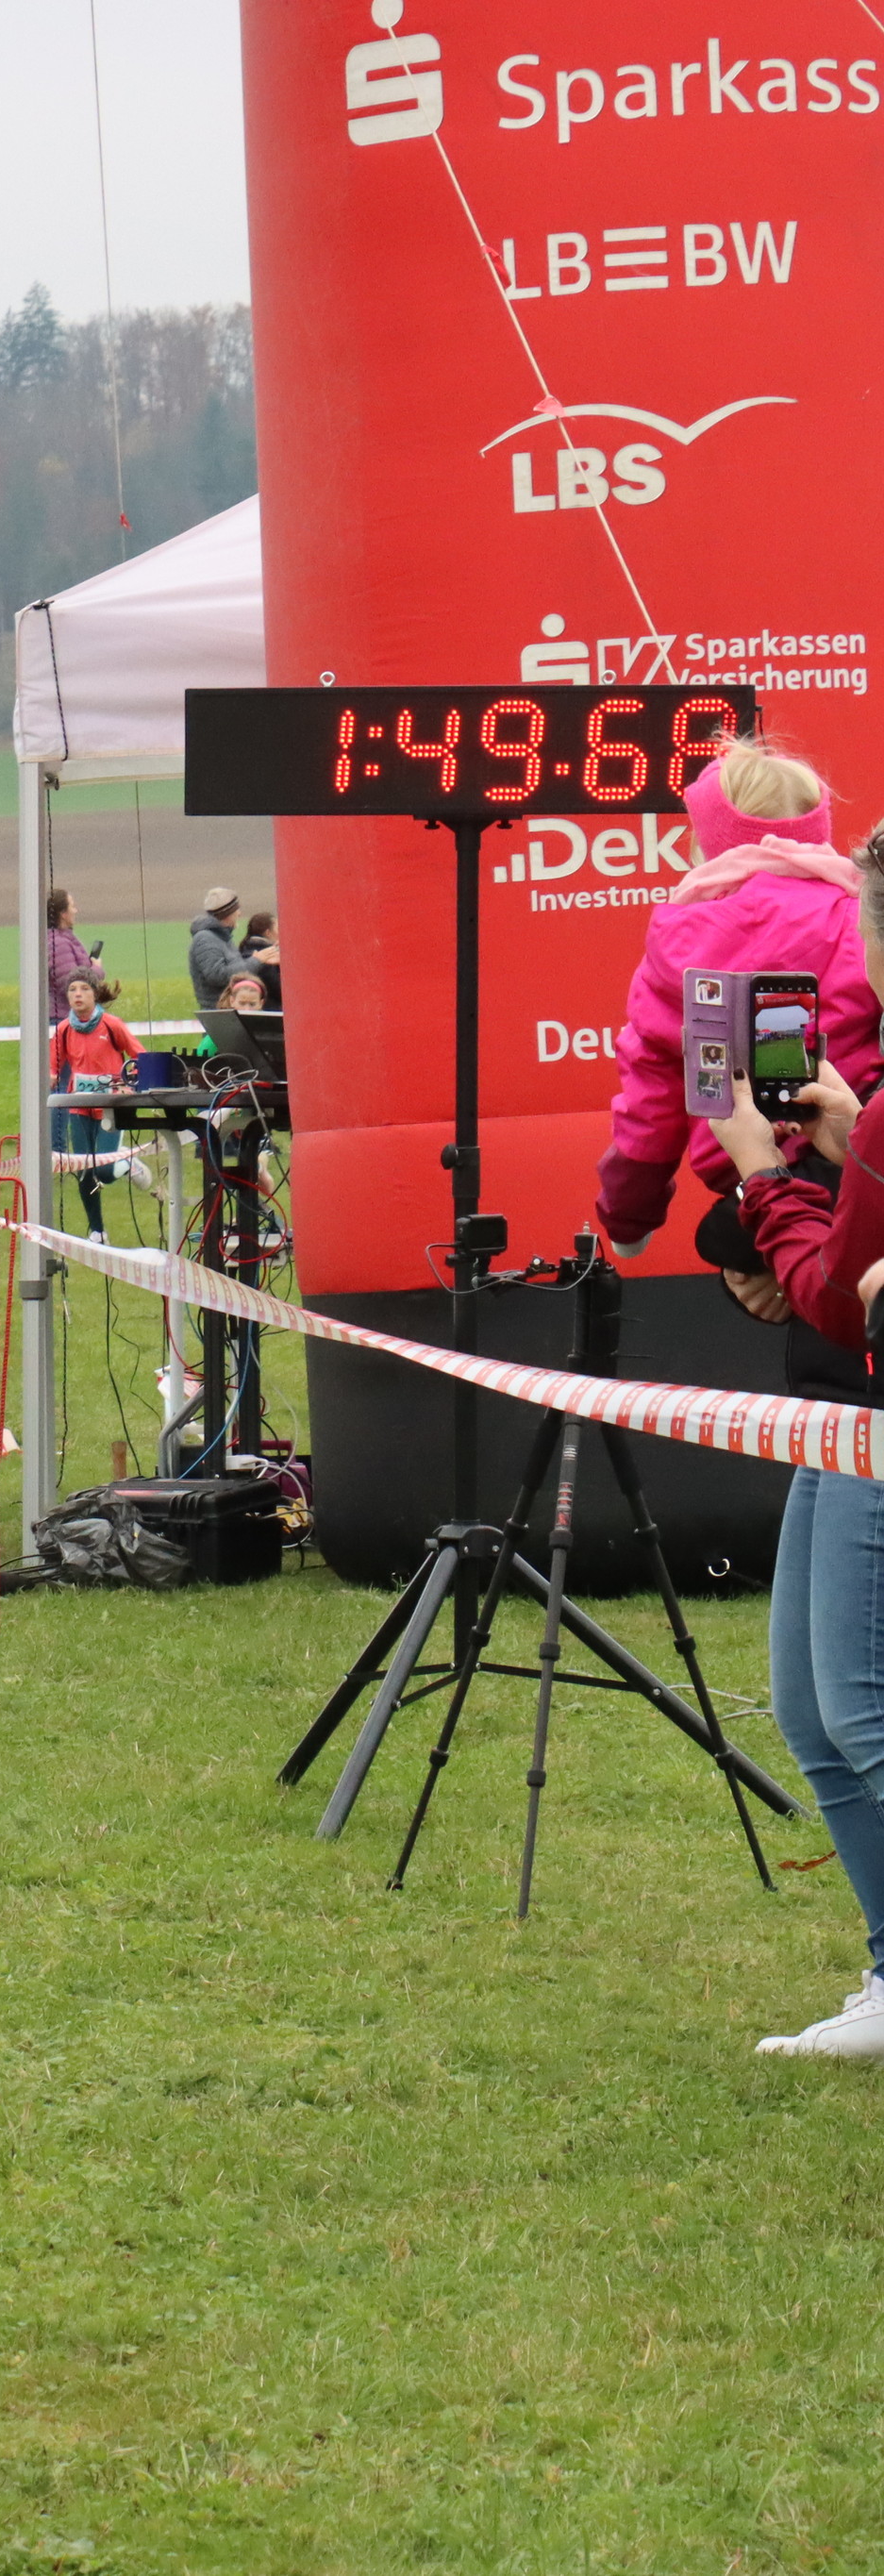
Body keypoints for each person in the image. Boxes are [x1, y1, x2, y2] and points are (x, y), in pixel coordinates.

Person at [702, 1032, 884, 2055]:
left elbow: (835, 1294)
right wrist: (845, 1145)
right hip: (833, 1417)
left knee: (861, 1712)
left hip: (871, 1418)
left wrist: (765, 1180)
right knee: (814, 1718)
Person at [592, 741, 871, 1261]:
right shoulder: (861, 918)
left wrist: (627, 1218)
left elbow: (649, 1106)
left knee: (738, 1255)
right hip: (864, 1159)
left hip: (751, 1179)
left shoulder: (676, 940)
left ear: (706, 840)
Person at [50, 980, 148, 1241]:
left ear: (95, 994)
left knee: (103, 1169)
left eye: (84, 989)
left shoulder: (111, 1025)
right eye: (72, 990)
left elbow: (140, 1056)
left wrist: (131, 1083)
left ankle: (127, 1164)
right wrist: (50, 1077)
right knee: (84, 1169)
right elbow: (53, 1065)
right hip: (80, 1106)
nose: (78, 995)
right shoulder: (63, 1029)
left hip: (111, 1105)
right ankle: (97, 1230)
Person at [44, 888, 99, 1024]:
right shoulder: (59, 944)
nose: (75, 911)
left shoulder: (63, 940)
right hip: (63, 1018)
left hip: (68, 1016)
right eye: (72, 906)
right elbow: (71, 983)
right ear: (63, 914)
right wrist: (96, 969)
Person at [186, 887, 246, 1010]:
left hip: (227, 1009)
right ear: (227, 914)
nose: (239, 914)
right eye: (236, 910)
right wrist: (256, 961)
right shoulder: (205, 939)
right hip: (217, 1012)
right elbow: (218, 976)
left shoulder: (222, 937)